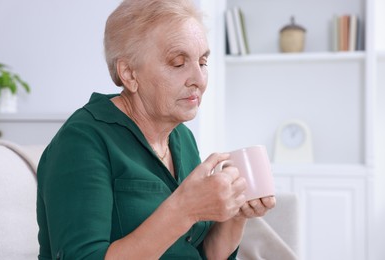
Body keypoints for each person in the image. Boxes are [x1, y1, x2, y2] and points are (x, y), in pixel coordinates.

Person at [36, 0, 276, 259]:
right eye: (177, 62)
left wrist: (235, 215)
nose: (199, 80)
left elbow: (202, 254)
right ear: (129, 74)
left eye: (203, 62)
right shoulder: (82, 141)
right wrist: (185, 209)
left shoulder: (181, 137)